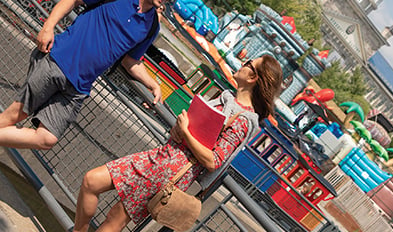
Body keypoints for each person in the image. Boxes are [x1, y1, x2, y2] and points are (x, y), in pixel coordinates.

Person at [0, 0, 181, 193]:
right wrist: (48, 27)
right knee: (16, 114)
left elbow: (131, 61)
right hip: (57, 60)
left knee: (46, 139)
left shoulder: (151, 27)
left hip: (80, 86)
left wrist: (152, 83)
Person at [72, 54, 283, 232]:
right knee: (91, 181)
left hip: (171, 171)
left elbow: (214, 161)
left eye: (248, 64)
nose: (242, 63)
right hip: (163, 155)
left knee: (115, 218)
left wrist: (185, 132)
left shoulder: (243, 120)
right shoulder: (226, 100)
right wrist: (181, 129)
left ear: (254, 77)